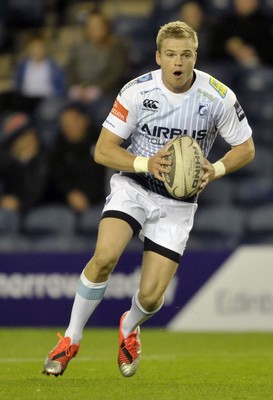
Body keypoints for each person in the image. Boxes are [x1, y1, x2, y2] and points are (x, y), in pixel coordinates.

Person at [43, 21, 255, 378]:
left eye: (186, 54)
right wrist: (146, 163)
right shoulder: (137, 91)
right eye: (171, 54)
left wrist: (214, 170)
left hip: (179, 202)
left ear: (194, 57)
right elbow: (102, 150)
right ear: (158, 57)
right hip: (135, 186)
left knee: (152, 297)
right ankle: (71, 338)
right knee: (105, 256)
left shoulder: (217, 96)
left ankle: (129, 327)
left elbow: (246, 148)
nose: (178, 61)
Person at [49, 103, 106, 212]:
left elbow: (107, 176)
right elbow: (58, 177)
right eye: (65, 124)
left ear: (85, 120)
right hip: (67, 203)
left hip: (101, 200)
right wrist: (70, 192)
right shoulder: (59, 147)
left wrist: (88, 197)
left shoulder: (101, 142)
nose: (69, 128)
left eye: (73, 122)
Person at [0, 112, 49, 213]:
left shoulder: (43, 160)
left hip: (38, 208)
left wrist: (19, 204)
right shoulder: (7, 161)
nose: (29, 142)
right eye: (23, 138)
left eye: (31, 136)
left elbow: (36, 194)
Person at [209, 0, 273, 67]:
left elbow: (269, 51)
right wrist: (229, 48)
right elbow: (212, 52)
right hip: (228, 65)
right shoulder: (226, 22)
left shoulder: (265, 22)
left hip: (259, 65)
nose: (242, 3)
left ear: (256, 2)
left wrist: (253, 52)